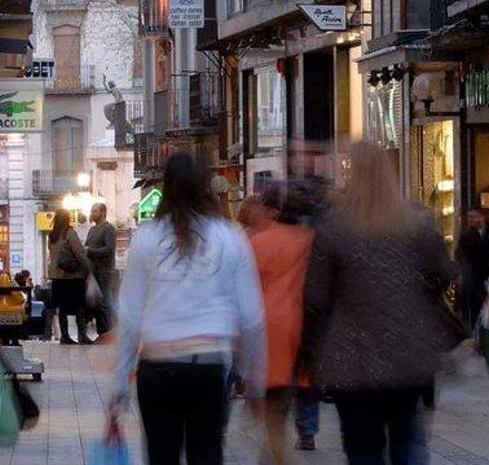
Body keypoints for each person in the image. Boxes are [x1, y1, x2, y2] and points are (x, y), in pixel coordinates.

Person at [302, 142, 461, 465]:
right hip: (406, 353)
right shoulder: (414, 223)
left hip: (353, 358)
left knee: (363, 449)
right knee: (408, 440)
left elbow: (316, 296)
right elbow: (446, 271)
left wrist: (311, 352)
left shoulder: (335, 227)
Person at [112, 153, 267, 465]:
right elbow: (252, 317)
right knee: (207, 453)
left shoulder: (147, 239)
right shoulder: (229, 237)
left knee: (161, 455)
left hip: (157, 367)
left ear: (165, 186)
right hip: (208, 366)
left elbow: (129, 315)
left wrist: (120, 383)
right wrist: (253, 378)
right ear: (204, 185)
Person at [248, 181, 316, 464]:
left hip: (266, 331)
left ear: (274, 211)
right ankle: (278, 451)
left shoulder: (257, 242)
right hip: (302, 330)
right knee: (282, 405)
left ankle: (277, 457)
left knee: (272, 412)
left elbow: (245, 291)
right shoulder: (311, 240)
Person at [47, 208, 92, 345]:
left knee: (62, 309)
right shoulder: (69, 233)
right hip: (72, 276)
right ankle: (82, 336)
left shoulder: (52, 236)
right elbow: (79, 253)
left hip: (56, 277)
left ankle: (64, 336)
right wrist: (87, 269)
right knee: (79, 307)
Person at [456, 208, 489, 329]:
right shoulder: (466, 236)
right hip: (474, 280)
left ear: (482, 217)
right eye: (470, 218)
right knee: (476, 311)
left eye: (475, 217)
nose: (472, 220)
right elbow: (461, 255)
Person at [85, 203, 117, 338]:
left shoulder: (109, 229)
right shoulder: (92, 230)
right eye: (92, 211)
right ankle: (101, 332)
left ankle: (108, 331)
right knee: (96, 301)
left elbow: (109, 249)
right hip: (93, 270)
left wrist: (90, 251)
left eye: (95, 211)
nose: (92, 213)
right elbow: (87, 245)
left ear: (103, 212)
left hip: (105, 270)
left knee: (104, 301)